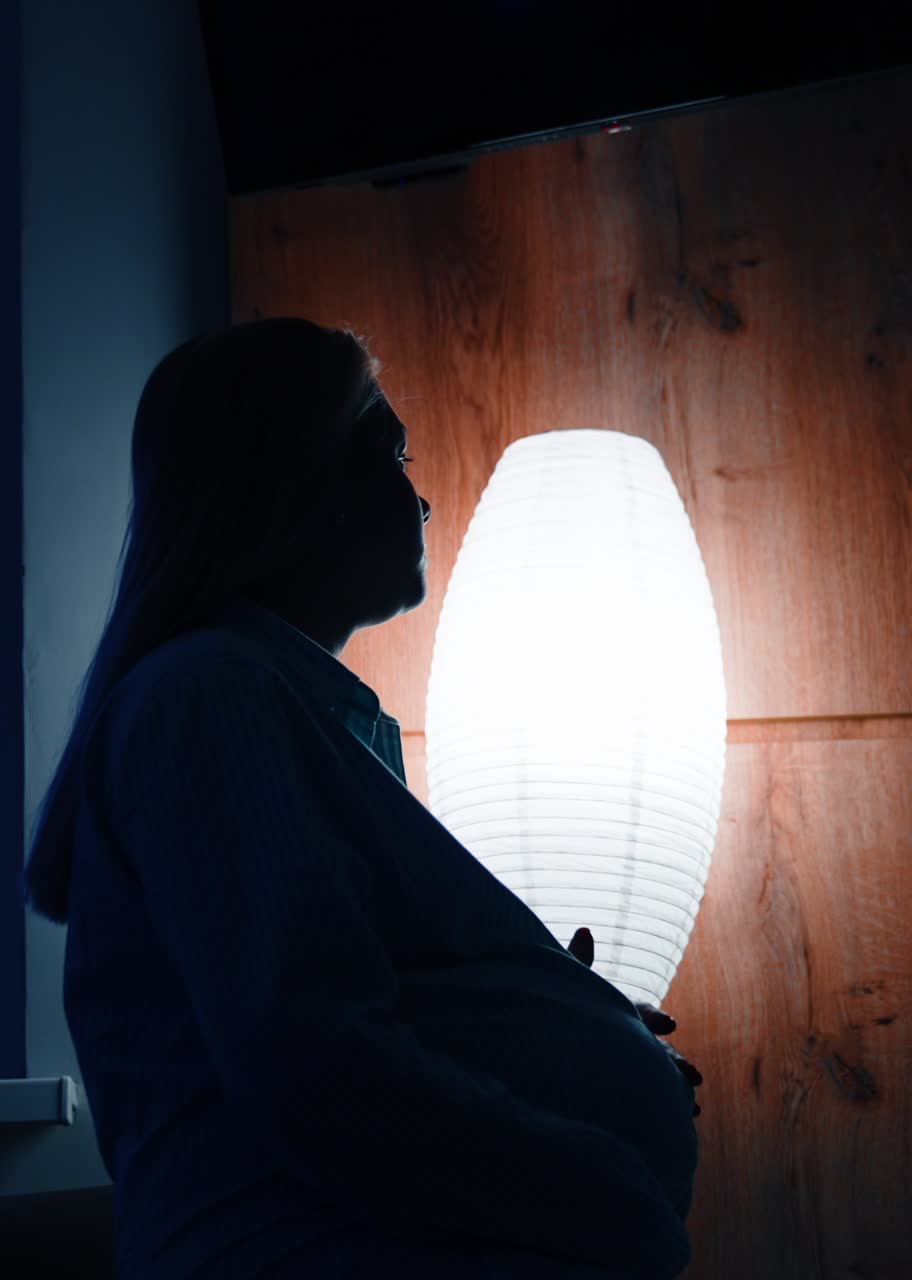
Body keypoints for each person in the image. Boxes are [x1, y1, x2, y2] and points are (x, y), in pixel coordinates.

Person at [21, 318, 703, 1279]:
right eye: (389, 448)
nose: (422, 497)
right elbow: (318, 1066)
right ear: (293, 484)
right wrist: (613, 1184)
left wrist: (564, 1021)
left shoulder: (284, 716)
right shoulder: (209, 699)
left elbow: (351, 1007)